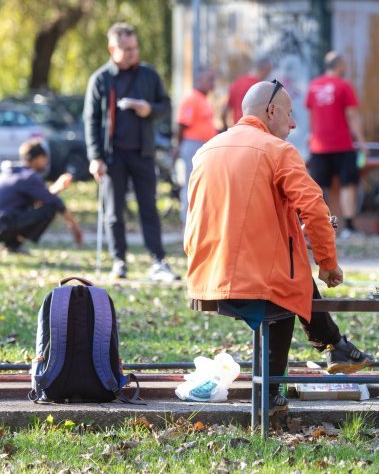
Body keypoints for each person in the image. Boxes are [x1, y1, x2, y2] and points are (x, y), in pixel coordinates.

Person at [185, 80, 372, 415]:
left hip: (206, 275)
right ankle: (269, 396)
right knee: (284, 289)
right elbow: (314, 207)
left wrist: (297, 231)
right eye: (289, 113)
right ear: (271, 111)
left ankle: (333, 347)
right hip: (254, 279)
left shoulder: (206, 150)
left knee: (288, 272)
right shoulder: (277, 150)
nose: (294, 123)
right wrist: (328, 263)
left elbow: (225, 219)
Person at [83, 22, 179, 282]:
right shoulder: (101, 79)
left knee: (149, 208)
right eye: (125, 49)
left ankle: (158, 261)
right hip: (112, 155)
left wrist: (149, 109)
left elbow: (166, 105)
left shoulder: (148, 75)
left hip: (143, 152)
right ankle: (119, 261)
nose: (131, 53)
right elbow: (90, 120)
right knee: (114, 211)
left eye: (134, 48)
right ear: (112, 48)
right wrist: (95, 157)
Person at [306, 51, 367, 238]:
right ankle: (348, 228)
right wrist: (362, 142)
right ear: (339, 65)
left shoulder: (313, 87)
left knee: (319, 188)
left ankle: (318, 227)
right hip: (343, 145)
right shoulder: (344, 86)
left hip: (318, 146)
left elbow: (311, 116)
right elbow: (352, 116)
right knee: (348, 186)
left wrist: (312, 136)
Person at [0, 138, 82, 253]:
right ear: (38, 158)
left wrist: (57, 188)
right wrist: (75, 228)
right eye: (45, 158)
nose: (47, 162)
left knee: (31, 208)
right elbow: (56, 203)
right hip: (1, 228)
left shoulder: (12, 173)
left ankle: (11, 245)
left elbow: (41, 198)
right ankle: (13, 244)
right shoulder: (29, 177)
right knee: (50, 209)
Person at [175, 68, 218, 225]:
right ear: (199, 80)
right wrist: (177, 146)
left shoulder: (203, 99)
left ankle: (200, 222)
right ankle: (188, 224)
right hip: (193, 147)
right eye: (209, 79)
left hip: (203, 148)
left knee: (203, 186)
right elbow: (181, 124)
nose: (212, 83)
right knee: (191, 184)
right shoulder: (192, 98)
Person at [221, 56, 272, 129]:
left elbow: (224, 111)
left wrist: (225, 127)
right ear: (265, 70)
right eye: (268, 72)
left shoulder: (237, 82)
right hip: (255, 131)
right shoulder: (260, 87)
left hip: (238, 129)